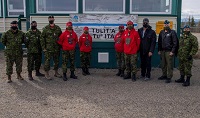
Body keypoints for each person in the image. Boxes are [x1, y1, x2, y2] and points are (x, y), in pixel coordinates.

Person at [40, 15, 62, 80]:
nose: (51, 19)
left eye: (52, 18)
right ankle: (47, 74)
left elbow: (61, 38)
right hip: (48, 49)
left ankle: (56, 72)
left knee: (56, 61)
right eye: (50, 18)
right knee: (47, 62)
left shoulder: (58, 28)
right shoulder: (45, 28)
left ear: (54, 19)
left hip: (56, 48)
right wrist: (43, 47)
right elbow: (42, 38)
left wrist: (60, 46)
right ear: (48, 20)